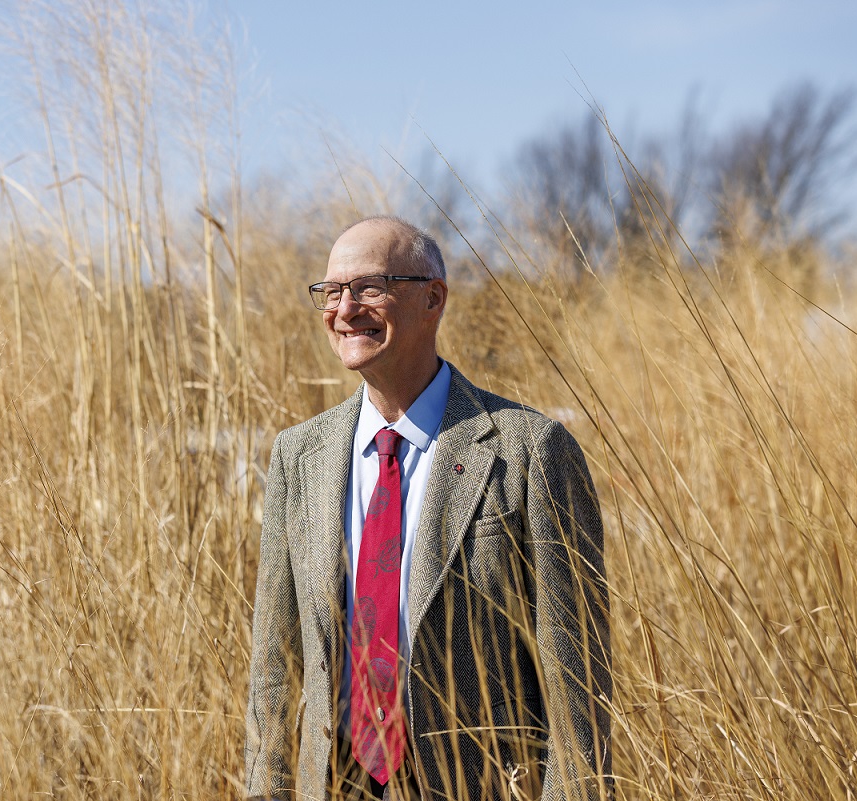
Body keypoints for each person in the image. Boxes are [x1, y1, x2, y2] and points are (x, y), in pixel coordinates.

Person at [244, 217, 611, 801]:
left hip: (479, 784)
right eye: (331, 291)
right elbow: (274, 664)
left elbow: (578, 679)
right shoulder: (299, 456)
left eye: (368, 287)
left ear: (432, 297)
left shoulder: (529, 451)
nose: (344, 309)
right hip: (337, 783)